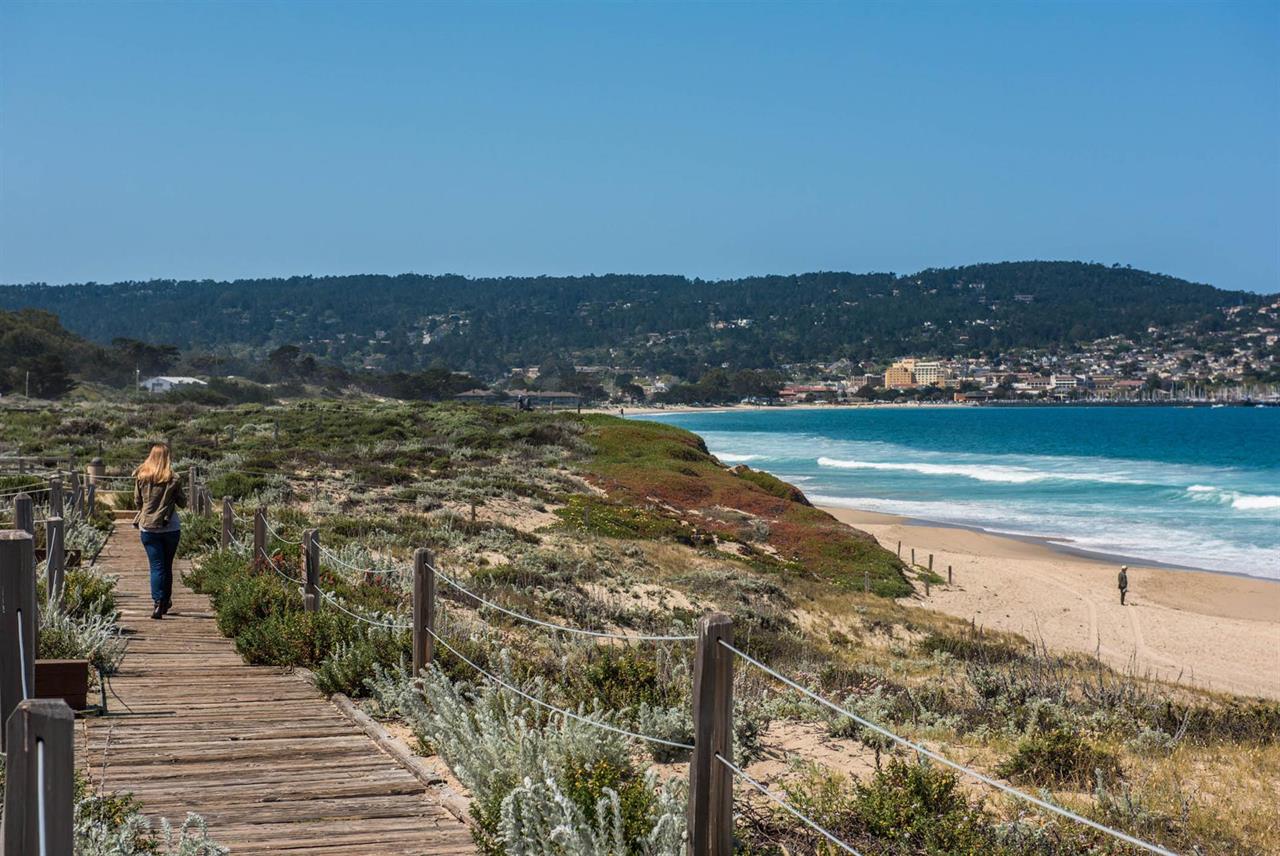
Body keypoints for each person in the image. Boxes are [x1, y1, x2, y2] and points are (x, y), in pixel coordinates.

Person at [133, 442, 186, 619]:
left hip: (147, 527)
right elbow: (183, 503)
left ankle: (157, 602)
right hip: (170, 527)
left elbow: (137, 502)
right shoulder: (174, 478)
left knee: (156, 566)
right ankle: (165, 601)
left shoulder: (142, 476)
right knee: (167, 565)